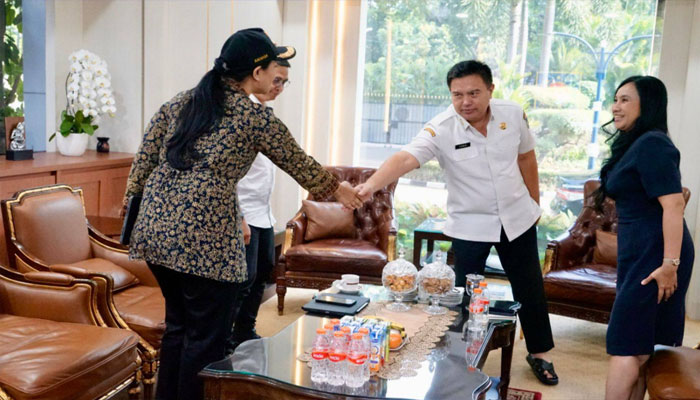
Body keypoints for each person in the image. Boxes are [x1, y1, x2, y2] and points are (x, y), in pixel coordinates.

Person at [123, 28, 363, 400]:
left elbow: (142, 165)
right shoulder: (253, 117)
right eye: (273, 69)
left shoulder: (180, 102)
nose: (276, 76)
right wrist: (341, 189)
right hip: (202, 237)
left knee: (178, 329)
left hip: (154, 232)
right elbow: (297, 161)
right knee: (206, 338)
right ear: (256, 73)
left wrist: (132, 214)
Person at [355, 60, 558, 385]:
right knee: (463, 293)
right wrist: (369, 186)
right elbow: (405, 158)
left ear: (490, 90)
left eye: (474, 93)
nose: (466, 102)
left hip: (517, 217)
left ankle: (540, 353)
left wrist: (534, 202)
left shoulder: (512, 114)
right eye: (457, 94)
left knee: (529, 286)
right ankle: (461, 354)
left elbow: (526, 156)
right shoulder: (441, 128)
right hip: (470, 223)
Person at [596, 76, 694, 400]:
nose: (615, 106)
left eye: (625, 100)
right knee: (639, 345)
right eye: (615, 99)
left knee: (626, 344)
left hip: (656, 254)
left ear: (647, 105)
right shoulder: (637, 142)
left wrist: (669, 265)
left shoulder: (653, 143)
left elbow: (674, 204)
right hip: (640, 250)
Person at [228, 56, 292, 352]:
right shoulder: (240, 115)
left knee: (263, 271)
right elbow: (226, 174)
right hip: (241, 212)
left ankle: (245, 330)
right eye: (276, 80)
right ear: (258, 75)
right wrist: (238, 215)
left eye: (284, 82)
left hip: (263, 212)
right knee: (244, 279)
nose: (279, 87)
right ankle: (226, 340)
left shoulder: (264, 114)